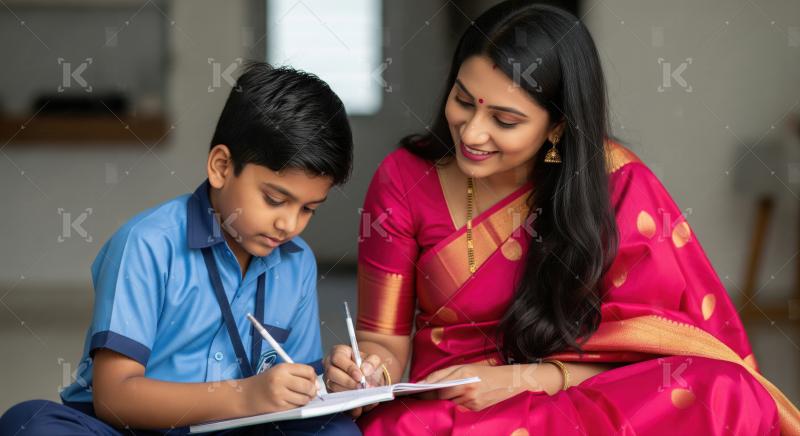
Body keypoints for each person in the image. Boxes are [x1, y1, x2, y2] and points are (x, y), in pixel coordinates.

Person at [323, 2, 800, 434]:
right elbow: (380, 342)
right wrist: (368, 371)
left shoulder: (617, 185)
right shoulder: (403, 179)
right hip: (458, 408)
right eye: (463, 100)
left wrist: (529, 378)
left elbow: (668, 354)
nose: (472, 131)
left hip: (579, 395)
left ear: (557, 126)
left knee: (725, 388)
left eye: (505, 121)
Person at [0, 63, 361, 435]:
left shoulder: (296, 262)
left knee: (338, 430)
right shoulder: (146, 245)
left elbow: (290, 388)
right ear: (221, 167)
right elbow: (114, 397)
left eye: (308, 209)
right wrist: (244, 395)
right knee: (28, 423)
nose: (289, 224)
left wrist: (326, 378)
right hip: (132, 429)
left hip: (238, 427)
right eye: (273, 199)